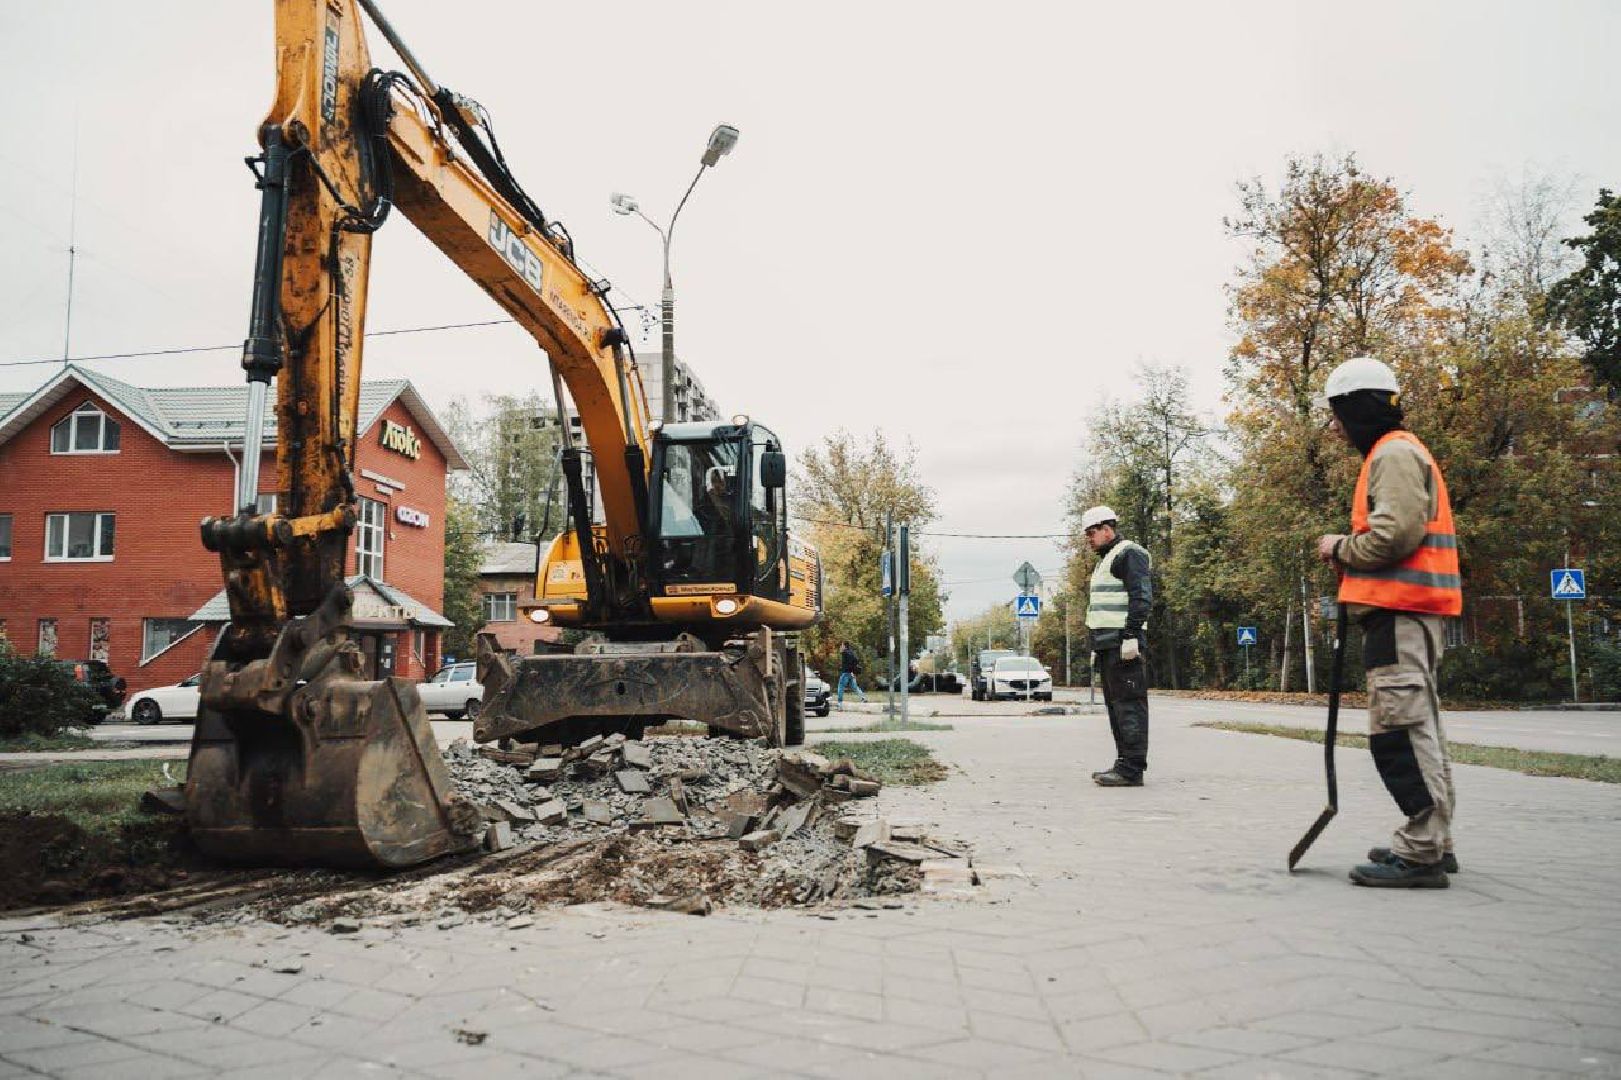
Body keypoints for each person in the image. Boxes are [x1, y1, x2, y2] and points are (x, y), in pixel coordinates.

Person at [1315, 356, 1463, 889]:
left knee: (1398, 731)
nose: (1334, 428)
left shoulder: (1394, 454)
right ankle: (1434, 841)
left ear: (1358, 409)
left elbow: (1394, 535)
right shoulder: (1397, 452)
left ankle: (1421, 851)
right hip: (1402, 613)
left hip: (1401, 612)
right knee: (1417, 726)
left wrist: (1340, 548)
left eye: (1336, 415)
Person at [1081, 506, 1153, 786]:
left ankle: (1132, 770)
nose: (1089, 539)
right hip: (1108, 644)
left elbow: (1141, 598)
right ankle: (1123, 764)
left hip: (1123, 643)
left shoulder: (1129, 553)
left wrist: (1130, 636)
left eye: (1091, 533)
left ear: (1107, 529)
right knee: (1116, 707)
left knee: (1129, 706)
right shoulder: (1107, 558)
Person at [837, 641, 868, 707]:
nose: (841, 646)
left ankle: (840, 704)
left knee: (841, 687)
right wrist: (853, 670)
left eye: (842, 645)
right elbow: (856, 660)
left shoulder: (845, 653)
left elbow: (841, 652)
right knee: (855, 687)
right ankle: (863, 698)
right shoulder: (851, 652)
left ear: (845, 646)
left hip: (845, 673)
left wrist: (841, 650)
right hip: (851, 673)